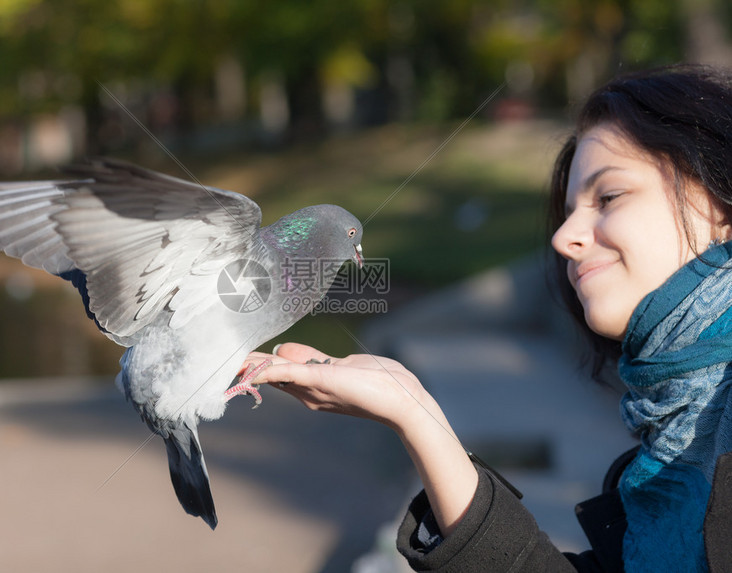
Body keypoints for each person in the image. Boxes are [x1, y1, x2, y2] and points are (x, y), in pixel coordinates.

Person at [244, 64, 732, 572]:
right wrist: (417, 416)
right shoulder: (663, 447)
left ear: (720, 201)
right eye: (567, 213)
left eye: (608, 197)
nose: (564, 239)